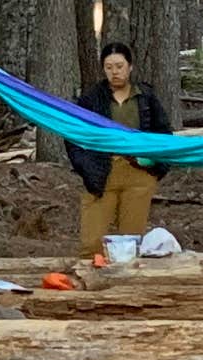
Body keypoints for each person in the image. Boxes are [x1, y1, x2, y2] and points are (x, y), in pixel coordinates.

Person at [69, 40, 174, 258]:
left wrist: (156, 166)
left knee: (131, 242)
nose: (114, 72)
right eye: (109, 67)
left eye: (119, 66)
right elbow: (74, 137)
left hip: (139, 175)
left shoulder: (145, 98)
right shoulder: (91, 99)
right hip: (101, 174)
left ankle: (127, 286)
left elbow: (163, 135)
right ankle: (90, 286)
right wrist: (87, 170)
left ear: (130, 67)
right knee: (92, 242)